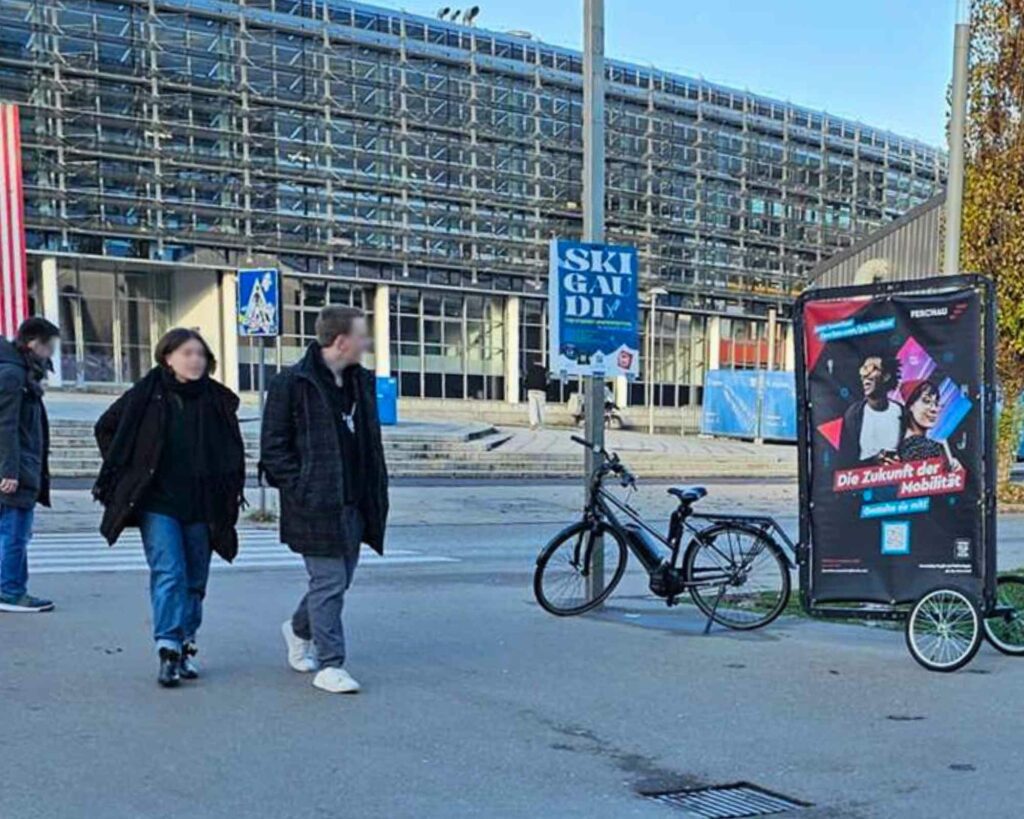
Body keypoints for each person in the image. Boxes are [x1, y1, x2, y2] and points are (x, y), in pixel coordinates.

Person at [93, 328, 246, 688]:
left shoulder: (219, 401)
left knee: (194, 580)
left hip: (203, 503)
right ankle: (167, 648)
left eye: (201, 354)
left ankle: (186, 643)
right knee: (169, 573)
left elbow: (232, 452)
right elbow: (106, 428)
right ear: (168, 357)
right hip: (158, 503)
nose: (195, 360)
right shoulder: (147, 395)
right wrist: (130, 473)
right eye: (187, 353)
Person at [260, 305, 389, 695]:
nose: (367, 343)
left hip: (355, 500)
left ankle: (298, 628)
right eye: (362, 335)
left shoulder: (361, 383)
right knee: (329, 581)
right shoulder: (291, 383)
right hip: (315, 504)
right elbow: (273, 448)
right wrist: (301, 487)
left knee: (337, 582)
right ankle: (331, 665)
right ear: (340, 340)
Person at [0, 317, 59, 613]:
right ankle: (10, 590)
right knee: (15, 531)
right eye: (50, 346)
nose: (52, 353)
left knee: (10, 529)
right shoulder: (13, 375)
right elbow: (5, 425)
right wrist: (8, 471)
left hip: (20, 462)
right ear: (35, 343)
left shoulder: (18, 370)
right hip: (18, 465)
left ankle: (9, 587)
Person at [838, 352, 905, 467]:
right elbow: (845, 461)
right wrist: (873, 461)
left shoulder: (902, 412)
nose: (865, 376)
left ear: (886, 376)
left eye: (873, 369)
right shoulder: (853, 415)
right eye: (864, 369)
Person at [897, 379, 962, 470]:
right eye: (926, 401)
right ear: (910, 405)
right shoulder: (928, 447)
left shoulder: (897, 444)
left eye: (936, 403)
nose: (934, 409)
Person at [525, 360, 547, 430]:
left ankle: (533, 423)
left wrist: (527, 387)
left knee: (532, 407)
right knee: (541, 408)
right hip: (541, 391)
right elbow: (547, 382)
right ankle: (541, 424)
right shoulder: (544, 370)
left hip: (531, 390)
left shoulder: (530, 370)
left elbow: (526, 380)